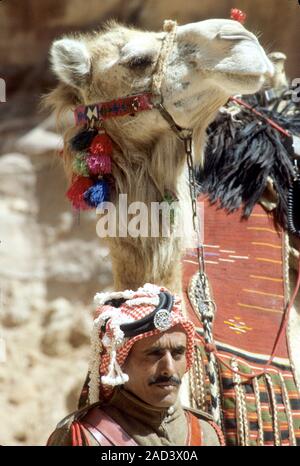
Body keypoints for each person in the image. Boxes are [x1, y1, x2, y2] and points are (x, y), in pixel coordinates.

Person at [47, 284, 224, 446]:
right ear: (121, 364)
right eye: (154, 354)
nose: (169, 369)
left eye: (178, 353)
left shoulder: (206, 435)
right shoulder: (85, 436)